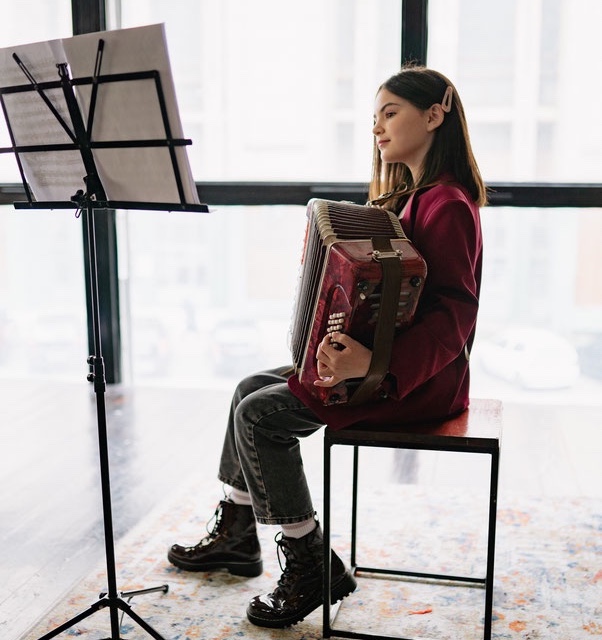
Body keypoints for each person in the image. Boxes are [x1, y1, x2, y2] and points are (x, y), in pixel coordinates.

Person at [167, 64, 487, 629]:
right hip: (386, 369)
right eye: (375, 117)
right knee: (249, 385)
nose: (378, 129)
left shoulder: (448, 204)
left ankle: (309, 558)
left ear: (435, 115)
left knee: (261, 414)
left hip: (418, 385)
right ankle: (239, 532)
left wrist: (374, 366)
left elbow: (455, 315)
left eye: (390, 113)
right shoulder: (414, 198)